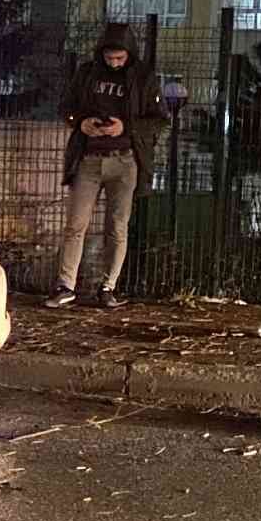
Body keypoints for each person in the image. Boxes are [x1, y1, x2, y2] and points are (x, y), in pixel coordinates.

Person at [45, 24, 166, 310]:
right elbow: (67, 106)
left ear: (129, 55)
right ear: (102, 54)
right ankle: (65, 286)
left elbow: (159, 119)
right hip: (88, 159)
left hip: (125, 160)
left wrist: (126, 126)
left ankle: (108, 286)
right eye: (109, 58)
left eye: (119, 59)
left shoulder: (144, 78)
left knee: (117, 227)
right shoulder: (87, 73)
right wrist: (81, 122)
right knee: (76, 224)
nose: (113, 64)